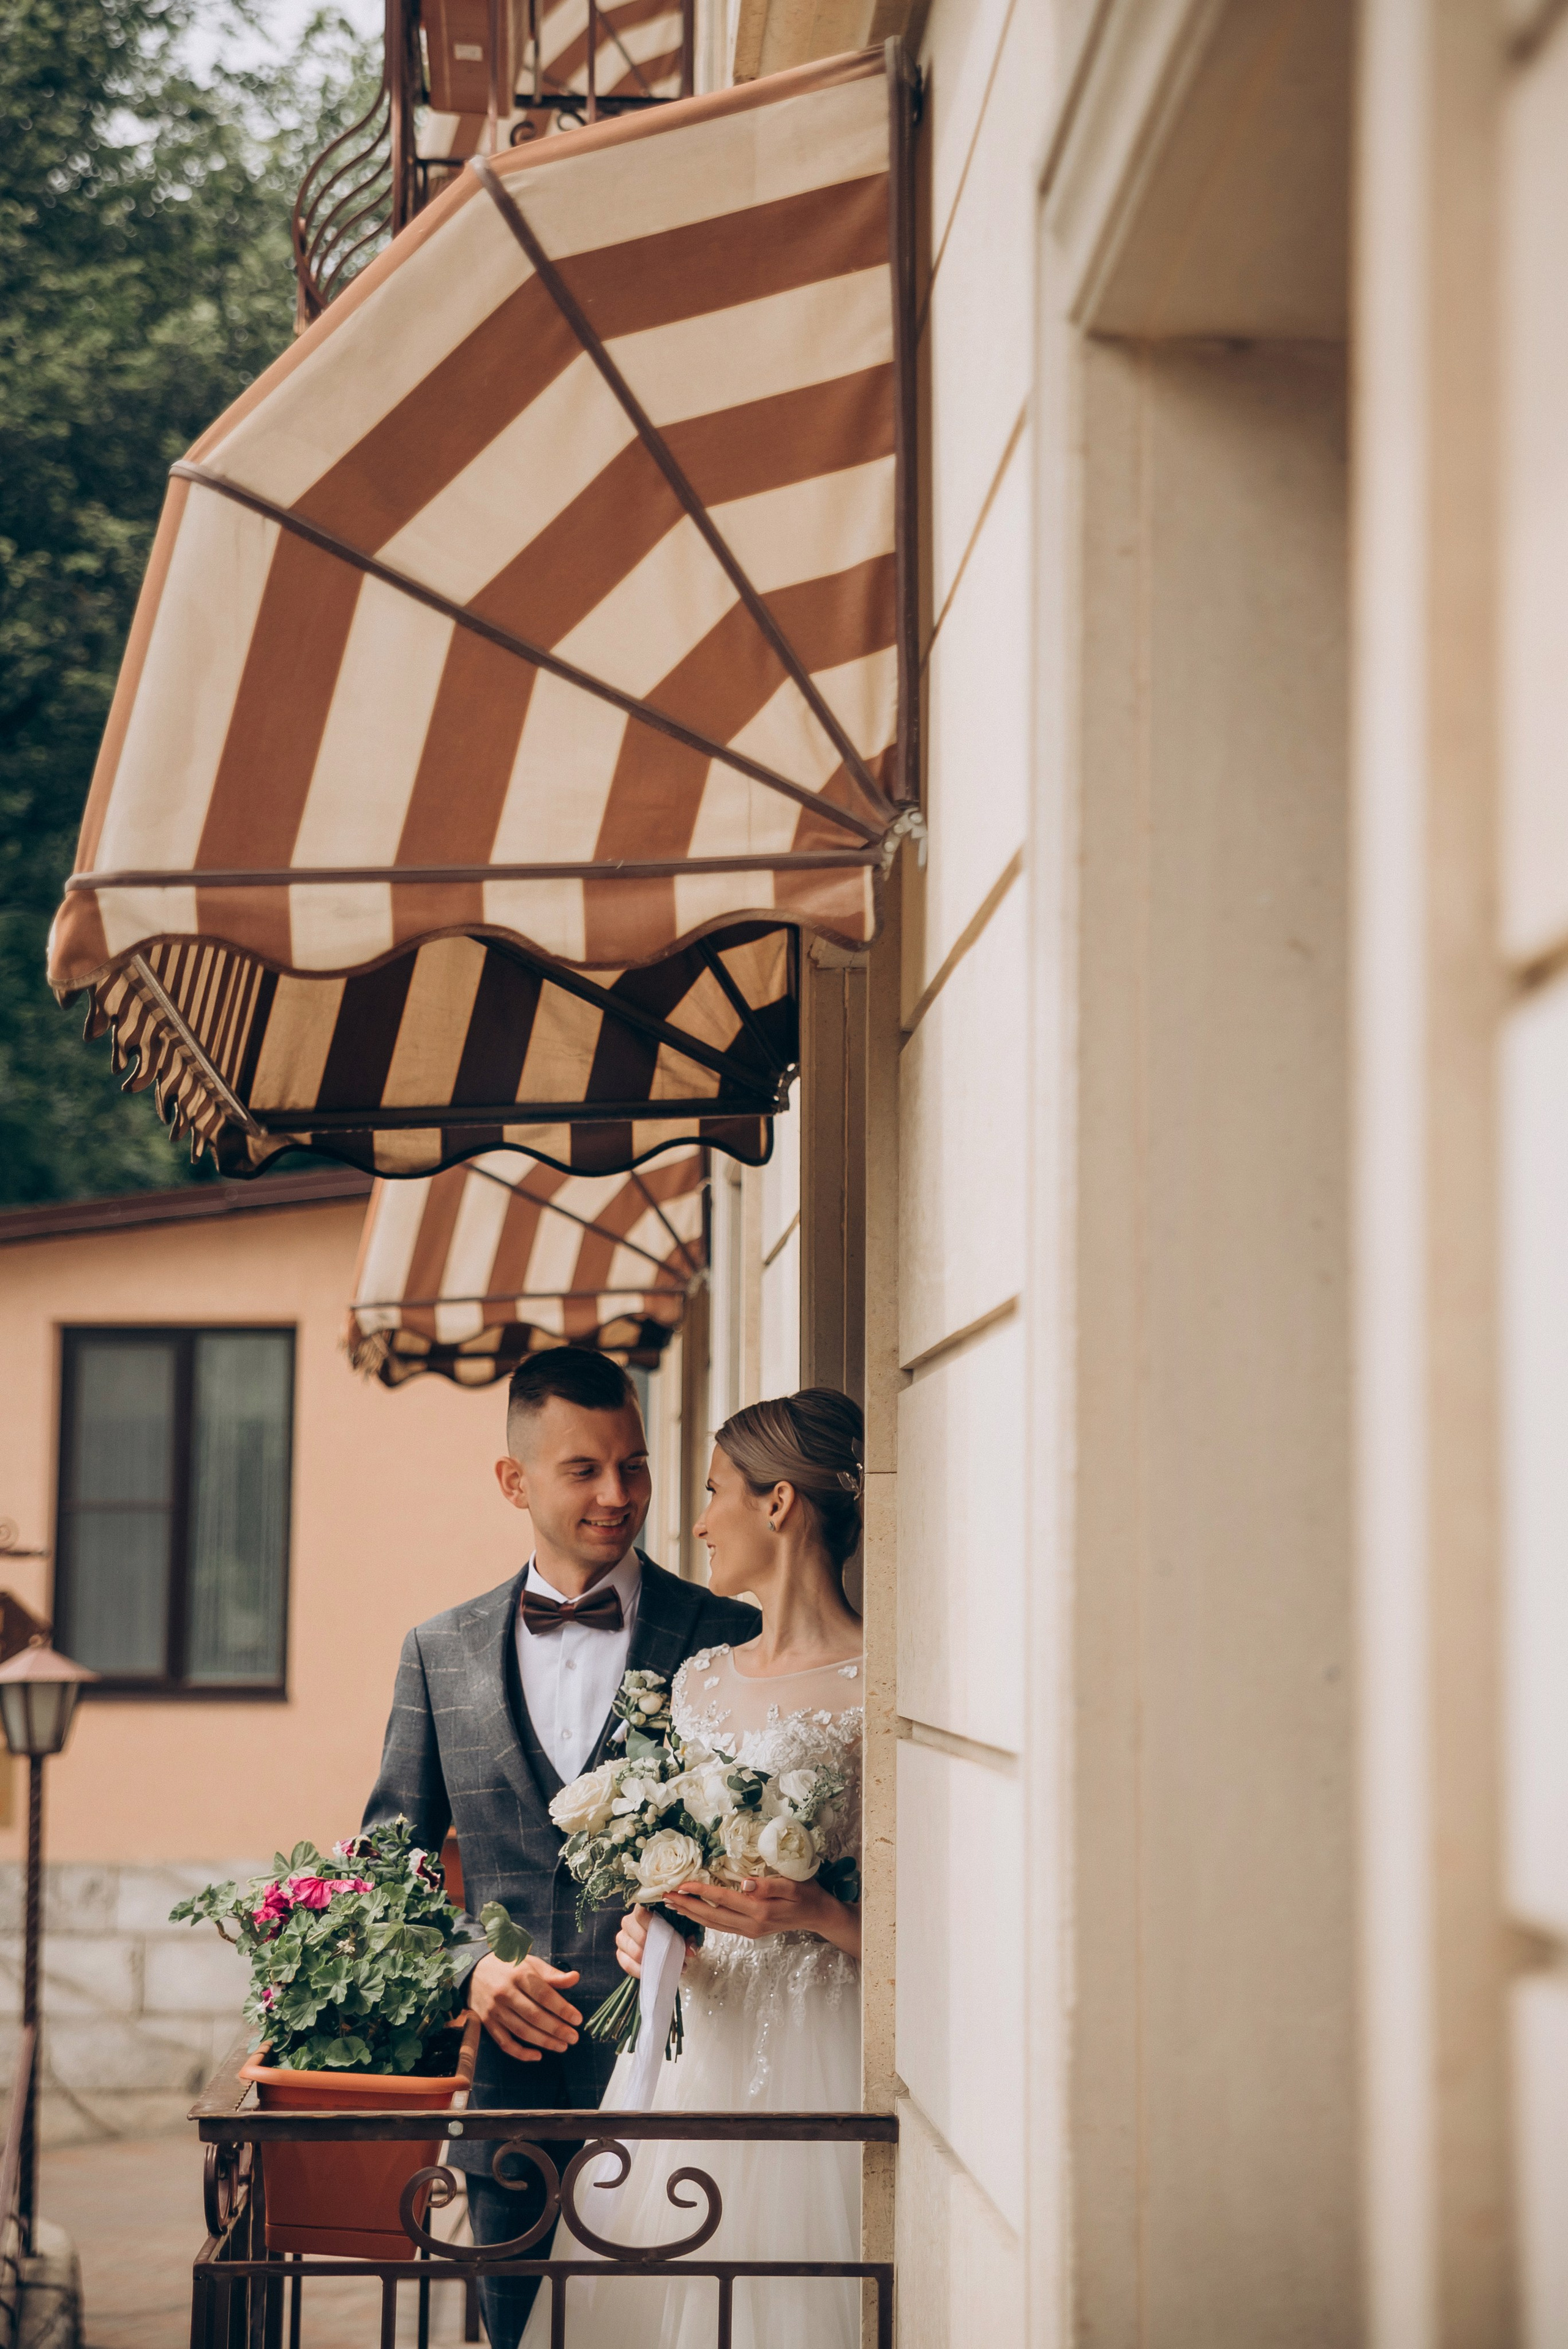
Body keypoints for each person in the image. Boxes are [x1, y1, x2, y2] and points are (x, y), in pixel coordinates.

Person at [362, 1347, 761, 2349]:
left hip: (685, 2077)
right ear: (515, 1480)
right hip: (512, 2105)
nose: (617, 1494)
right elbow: (384, 1870)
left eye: (632, 1464)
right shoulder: (437, 1650)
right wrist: (472, 1970)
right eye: (583, 1469)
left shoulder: (728, 1634)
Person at [519, 1385, 866, 2349]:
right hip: (695, 2042)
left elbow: (938, 1922)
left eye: (716, 1490)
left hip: (818, 2043)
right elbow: (678, 1871)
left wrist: (817, 1915)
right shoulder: (701, 1680)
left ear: (780, 1504)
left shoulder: (882, 1685)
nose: (699, 1518)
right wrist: (656, 1924)